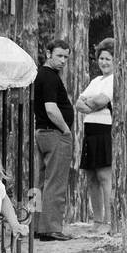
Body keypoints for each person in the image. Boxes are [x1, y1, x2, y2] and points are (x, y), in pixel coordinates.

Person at [34, 38, 74, 241]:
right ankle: (51, 228)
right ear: (48, 53)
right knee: (56, 182)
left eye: (66, 57)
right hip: (54, 133)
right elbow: (51, 108)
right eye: (59, 55)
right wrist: (66, 129)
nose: (63, 60)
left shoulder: (41, 74)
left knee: (41, 181)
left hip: (42, 132)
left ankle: (38, 226)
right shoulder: (49, 76)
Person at [75, 37, 114, 232]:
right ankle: (97, 220)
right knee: (91, 177)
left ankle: (109, 221)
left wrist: (90, 103)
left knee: (104, 176)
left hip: (105, 131)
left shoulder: (116, 80)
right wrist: (93, 103)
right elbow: (78, 103)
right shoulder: (96, 80)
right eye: (101, 58)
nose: (104, 62)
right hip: (90, 132)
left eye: (108, 58)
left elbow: (100, 101)